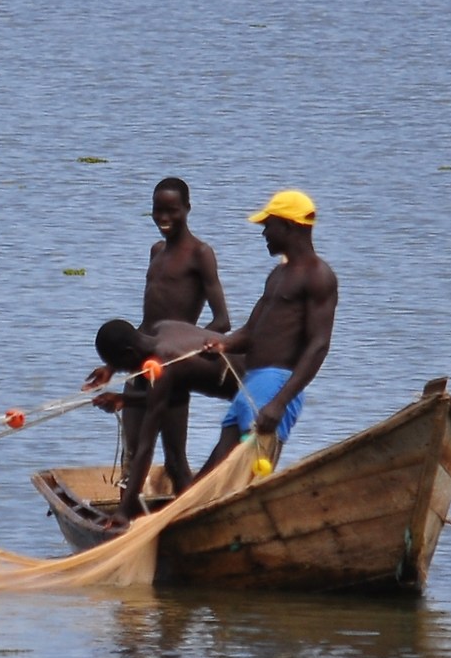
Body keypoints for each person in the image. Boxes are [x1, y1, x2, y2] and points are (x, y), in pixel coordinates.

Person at [81, 178, 231, 489]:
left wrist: (184, 352)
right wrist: (114, 365)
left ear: (187, 209)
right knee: (134, 455)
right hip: (140, 360)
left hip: (172, 368)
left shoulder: (200, 254)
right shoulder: (157, 251)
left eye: (172, 211)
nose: (163, 218)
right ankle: (129, 521)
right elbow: (147, 325)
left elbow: (222, 321)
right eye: (157, 210)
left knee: (175, 459)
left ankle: (190, 519)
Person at [197, 189, 337, 476]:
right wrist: (223, 344)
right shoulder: (278, 275)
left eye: (268, 226)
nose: (264, 234)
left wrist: (279, 402)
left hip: (275, 384)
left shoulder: (318, 275)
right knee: (214, 471)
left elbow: (319, 345)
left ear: (288, 226)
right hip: (252, 382)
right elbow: (250, 332)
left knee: (248, 473)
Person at [90, 319, 241, 519]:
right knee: (176, 466)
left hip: (256, 392)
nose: (129, 373)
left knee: (205, 484)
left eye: (123, 367)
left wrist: (123, 512)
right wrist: (122, 396)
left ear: (129, 353)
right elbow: (164, 396)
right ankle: (187, 518)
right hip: (253, 377)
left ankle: (194, 516)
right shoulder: (162, 327)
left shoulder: (165, 361)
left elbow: (146, 447)